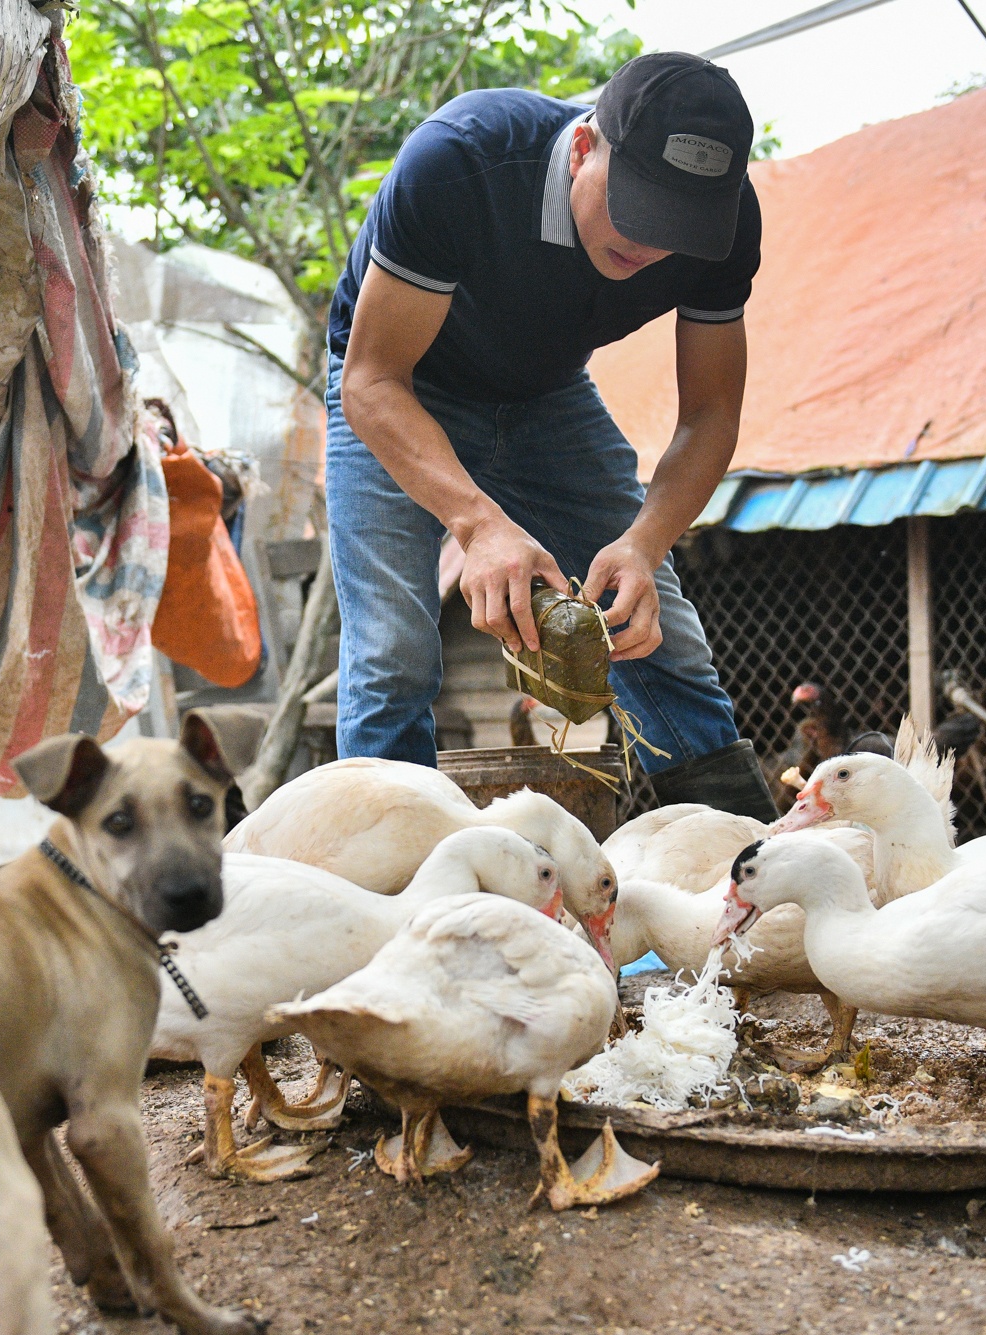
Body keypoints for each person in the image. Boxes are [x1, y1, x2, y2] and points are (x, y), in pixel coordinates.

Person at [324, 49, 778, 819]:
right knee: (392, 654)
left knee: (653, 633)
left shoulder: (726, 232)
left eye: (680, 227)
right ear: (581, 150)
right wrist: (477, 523)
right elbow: (371, 381)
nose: (651, 247)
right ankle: (393, 898)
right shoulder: (460, 162)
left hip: (545, 395)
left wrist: (645, 542)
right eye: (637, 208)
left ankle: (741, 872)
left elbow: (710, 415)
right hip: (402, 387)